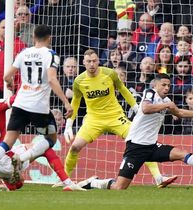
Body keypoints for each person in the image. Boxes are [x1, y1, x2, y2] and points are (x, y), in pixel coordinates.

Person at [77, 73, 193, 190]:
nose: (166, 88)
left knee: (181, 153)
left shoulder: (166, 101)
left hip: (152, 146)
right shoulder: (149, 93)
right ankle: (93, 182)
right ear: (156, 85)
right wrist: (167, 106)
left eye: (168, 85)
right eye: (163, 85)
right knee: (120, 187)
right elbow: (145, 109)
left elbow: (180, 113)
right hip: (136, 147)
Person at [0, 25, 74, 193]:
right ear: (49, 38)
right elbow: (52, 79)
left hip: (20, 103)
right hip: (38, 106)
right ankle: (21, 159)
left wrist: (9, 84)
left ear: (34, 37)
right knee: (50, 138)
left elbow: (7, 76)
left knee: (8, 141)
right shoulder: (51, 55)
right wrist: (66, 102)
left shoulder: (23, 53)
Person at [63, 49, 177, 189]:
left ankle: (159, 178)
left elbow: (123, 90)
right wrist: (69, 124)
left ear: (98, 61)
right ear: (83, 62)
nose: (92, 64)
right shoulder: (79, 81)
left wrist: (136, 108)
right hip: (93, 120)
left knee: (140, 141)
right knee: (75, 146)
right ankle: (65, 180)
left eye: (94, 61)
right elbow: (75, 101)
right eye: (88, 61)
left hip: (116, 117)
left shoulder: (109, 74)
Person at [0, 78, 83, 192]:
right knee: (45, 149)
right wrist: (25, 83)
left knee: (19, 181)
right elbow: (18, 98)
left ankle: (7, 184)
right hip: (4, 159)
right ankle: (68, 183)